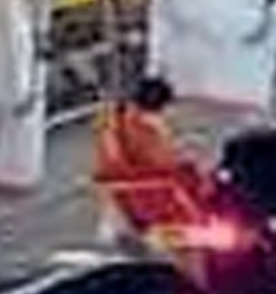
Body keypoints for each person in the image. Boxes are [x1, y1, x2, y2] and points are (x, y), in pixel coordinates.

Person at [94, 72, 226, 252]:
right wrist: (189, 164)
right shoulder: (146, 130)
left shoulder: (115, 122)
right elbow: (163, 165)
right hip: (151, 202)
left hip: (123, 196)